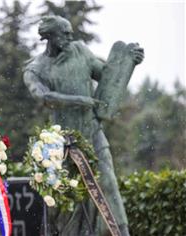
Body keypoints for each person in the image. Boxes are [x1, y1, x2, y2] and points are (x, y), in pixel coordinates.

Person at [24, 16, 144, 236]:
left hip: (92, 131)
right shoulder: (36, 68)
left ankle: (122, 232)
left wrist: (129, 63)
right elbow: (42, 96)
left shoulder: (80, 50)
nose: (71, 37)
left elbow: (106, 76)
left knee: (108, 181)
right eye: (65, 33)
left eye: (71, 32)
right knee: (69, 199)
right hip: (62, 141)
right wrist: (78, 100)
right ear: (50, 36)